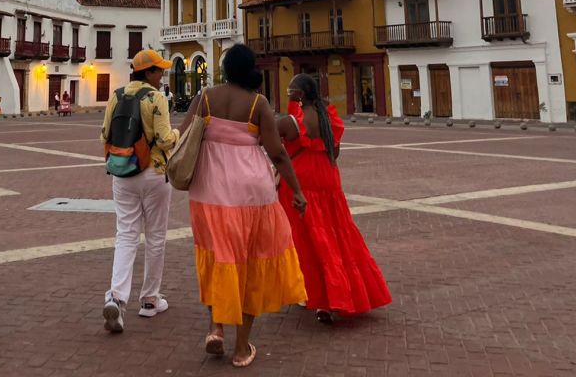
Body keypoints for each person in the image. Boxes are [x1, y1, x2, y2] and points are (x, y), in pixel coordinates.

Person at [181, 43, 307, 368]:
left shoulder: (205, 97)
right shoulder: (258, 103)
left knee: (215, 259)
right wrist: (296, 189)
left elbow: (182, 137)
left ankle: (215, 328)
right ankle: (241, 348)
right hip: (252, 195)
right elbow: (277, 152)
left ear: (225, 68)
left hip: (208, 193)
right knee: (251, 264)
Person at [277, 74, 391, 323]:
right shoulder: (329, 117)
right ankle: (344, 292)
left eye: (291, 91)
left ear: (301, 95)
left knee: (309, 240)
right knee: (338, 234)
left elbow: (273, 147)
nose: (288, 94)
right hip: (328, 178)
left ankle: (319, 297)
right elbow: (334, 151)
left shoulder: (293, 120)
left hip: (302, 182)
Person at [101, 49, 179, 333]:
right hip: (154, 172)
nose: (162, 75)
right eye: (159, 70)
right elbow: (164, 138)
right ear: (147, 73)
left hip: (122, 172)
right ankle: (149, 300)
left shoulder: (116, 95)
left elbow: (104, 134)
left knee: (126, 235)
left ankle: (117, 298)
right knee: (156, 237)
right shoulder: (156, 97)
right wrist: (179, 134)